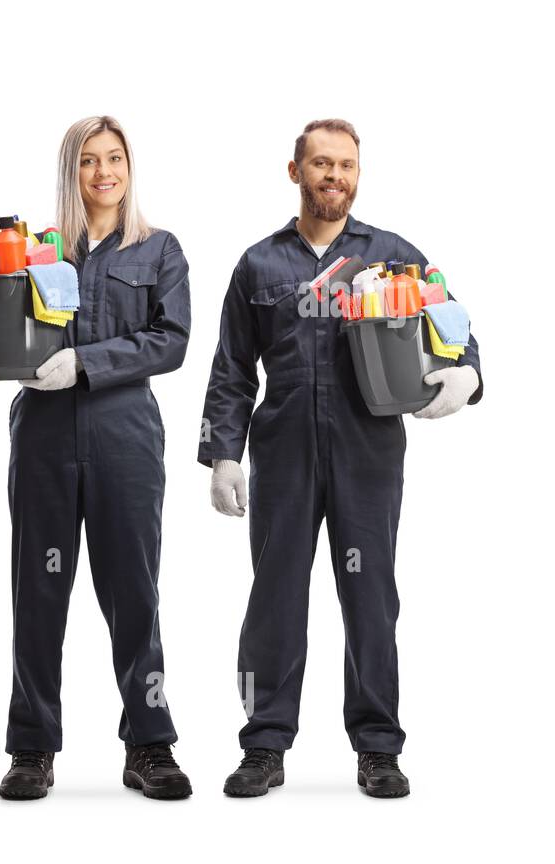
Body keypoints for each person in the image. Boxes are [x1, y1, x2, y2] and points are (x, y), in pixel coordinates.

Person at [199, 118, 483, 799]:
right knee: (274, 598)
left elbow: (455, 326)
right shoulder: (259, 263)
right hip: (284, 450)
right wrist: (223, 454)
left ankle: (378, 748)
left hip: (368, 448)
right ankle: (264, 744)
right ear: (295, 172)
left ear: (358, 174)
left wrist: (466, 374)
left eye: (347, 165)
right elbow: (233, 367)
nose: (335, 176)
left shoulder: (394, 257)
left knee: (370, 596)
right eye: (322, 164)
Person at [0, 116, 193, 800]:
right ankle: (31, 750)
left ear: (129, 169)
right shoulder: (33, 249)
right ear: (69, 172)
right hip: (45, 434)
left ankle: (150, 743)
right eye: (88, 161)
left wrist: (87, 360)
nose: (103, 172)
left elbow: (172, 340)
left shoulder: (159, 250)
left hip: (125, 433)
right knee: (38, 593)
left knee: (134, 593)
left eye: (114, 159)